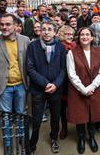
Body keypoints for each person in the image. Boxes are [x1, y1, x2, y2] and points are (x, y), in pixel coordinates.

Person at [0, 13, 30, 153]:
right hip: (3, 87)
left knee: (20, 114)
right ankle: (7, 143)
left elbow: (28, 62)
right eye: (2, 24)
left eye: (8, 24)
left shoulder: (25, 40)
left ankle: (20, 138)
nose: (4, 27)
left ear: (15, 26)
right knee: (5, 116)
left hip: (21, 86)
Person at [27, 21, 66, 154]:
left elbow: (63, 69)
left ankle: (54, 138)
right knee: (36, 119)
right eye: (43, 29)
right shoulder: (33, 46)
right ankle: (32, 144)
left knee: (55, 117)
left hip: (56, 89)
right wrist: (45, 83)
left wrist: (55, 84)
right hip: (38, 89)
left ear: (55, 32)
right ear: (40, 31)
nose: (46, 32)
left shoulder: (60, 47)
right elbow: (30, 68)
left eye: (49, 29)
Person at [67, 27, 100, 154]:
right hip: (78, 90)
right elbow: (71, 74)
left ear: (92, 37)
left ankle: (92, 137)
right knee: (80, 115)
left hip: (95, 89)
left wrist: (92, 87)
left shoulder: (98, 51)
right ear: (79, 37)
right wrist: (83, 89)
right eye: (82, 34)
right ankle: (81, 138)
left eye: (87, 34)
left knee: (92, 115)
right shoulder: (72, 53)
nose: (85, 37)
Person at [57, 25, 77, 140]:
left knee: (75, 104)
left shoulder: (75, 46)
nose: (70, 36)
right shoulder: (59, 46)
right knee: (62, 107)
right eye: (67, 34)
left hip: (73, 80)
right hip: (62, 81)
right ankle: (64, 127)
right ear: (62, 35)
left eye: (71, 34)